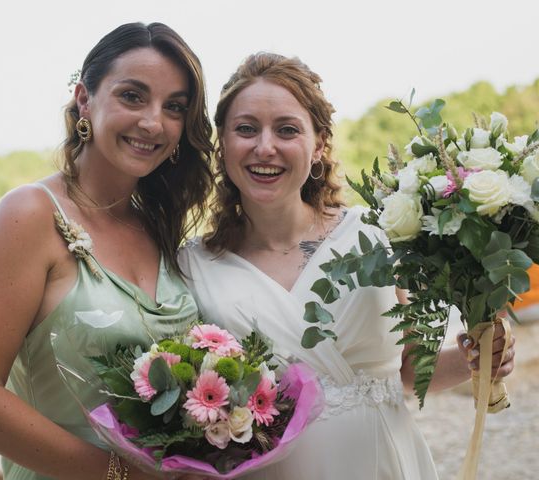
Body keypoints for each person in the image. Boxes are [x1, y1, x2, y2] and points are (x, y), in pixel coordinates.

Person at [178, 52, 516, 479]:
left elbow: (411, 371)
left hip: (382, 462)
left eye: (287, 129)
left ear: (318, 145)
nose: (266, 147)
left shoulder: (375, 233)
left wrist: (476, 358)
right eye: (246, 129)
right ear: (223, 142)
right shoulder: (194, 266)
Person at [0, 22, 212, 480]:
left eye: (174, 107)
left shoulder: (158, 226)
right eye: (133, 96)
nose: (153, 122)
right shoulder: (29, 214)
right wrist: (121, 475)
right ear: (84, 98)